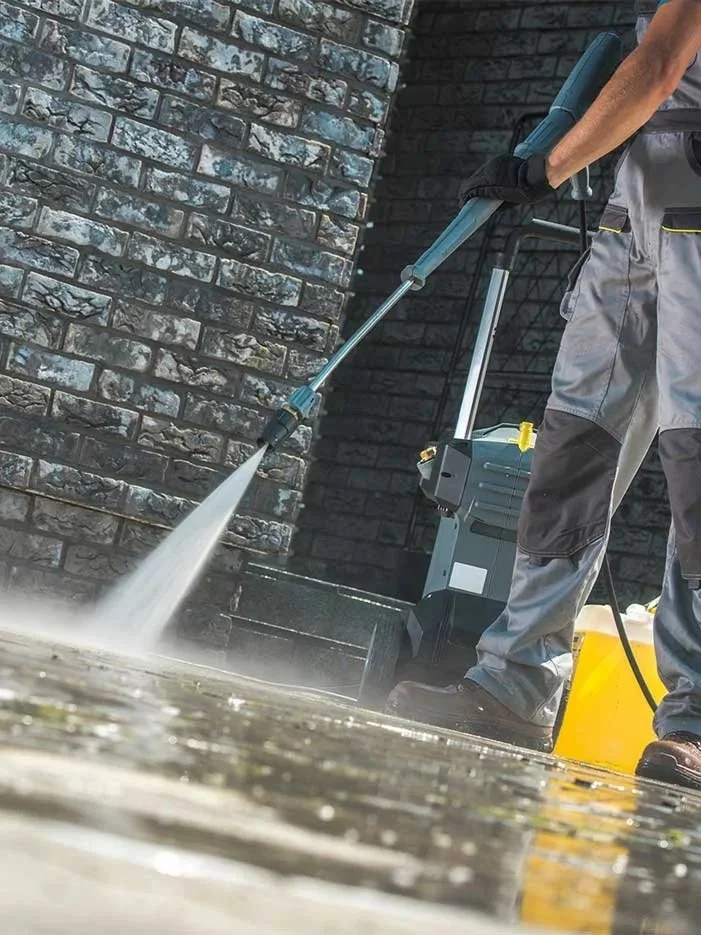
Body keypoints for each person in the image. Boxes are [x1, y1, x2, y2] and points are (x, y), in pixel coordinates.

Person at [387, 0, 701, 791]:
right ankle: (512, 684)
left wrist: (544, 166)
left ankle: (695, 720)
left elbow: (661, 61)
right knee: (574, 446)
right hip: (638, 203)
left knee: (696, 462)